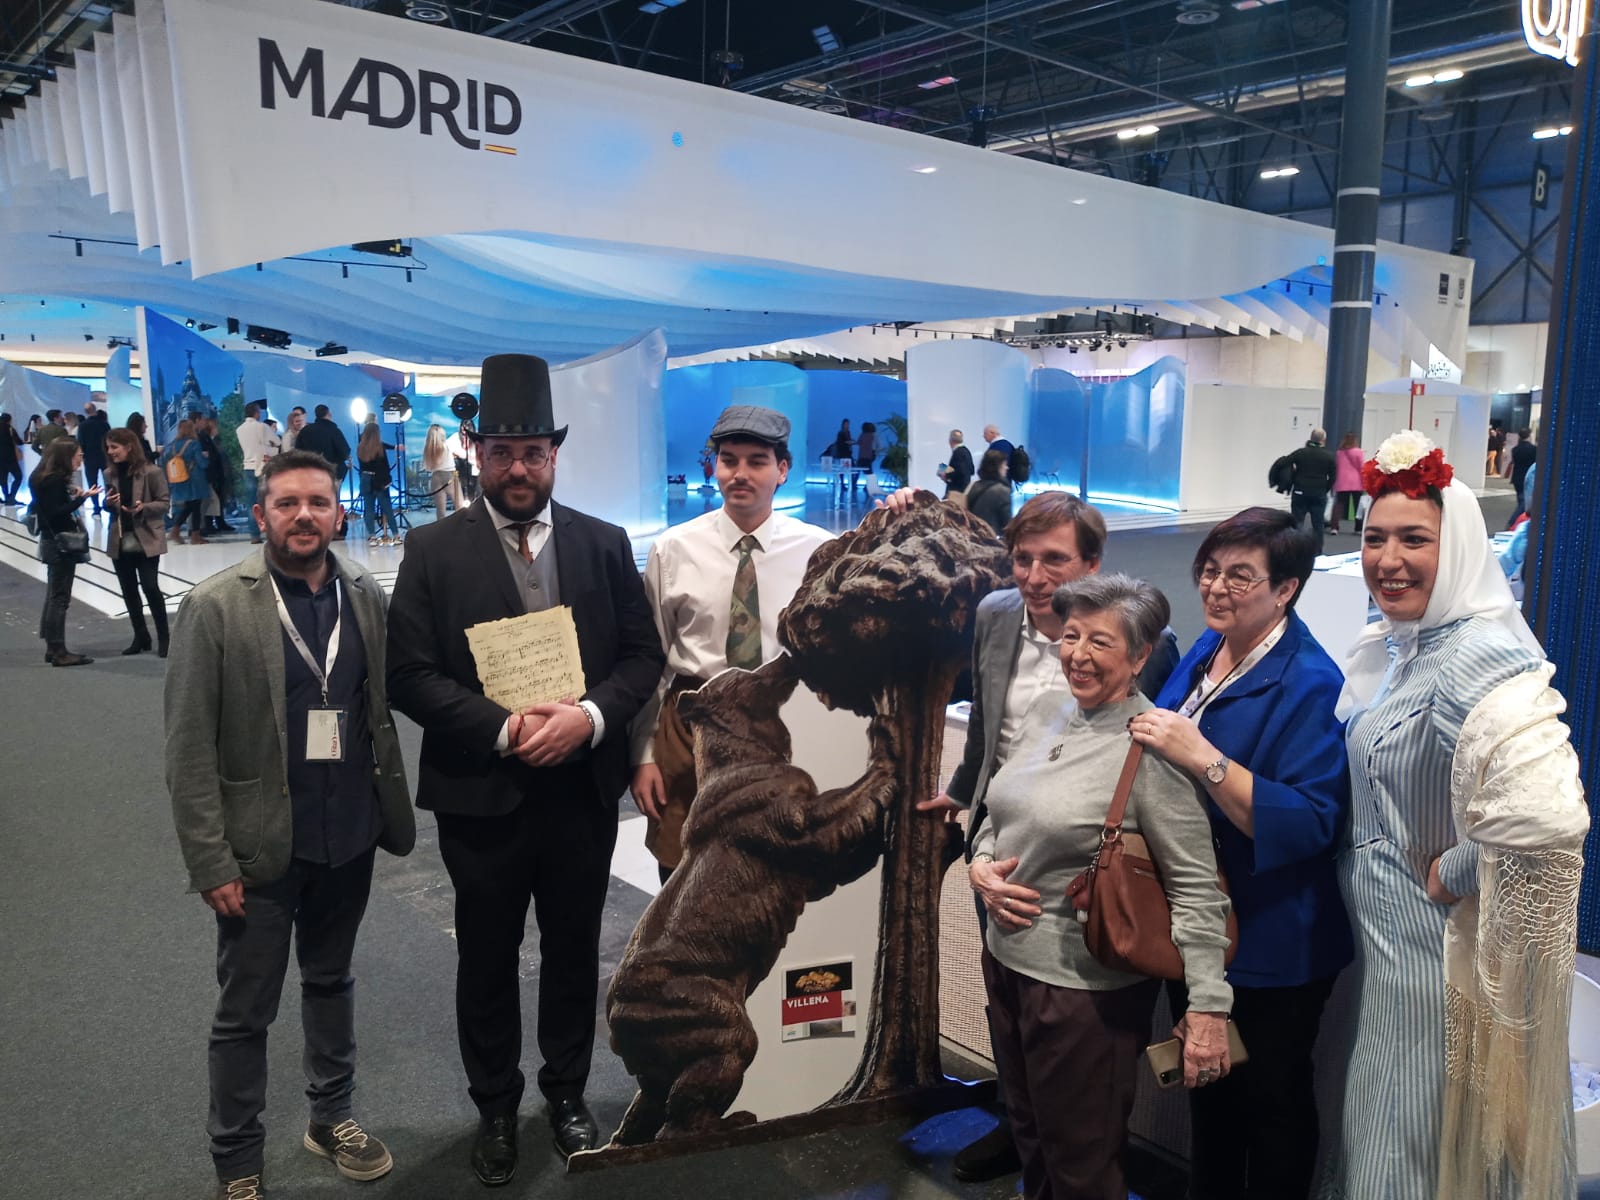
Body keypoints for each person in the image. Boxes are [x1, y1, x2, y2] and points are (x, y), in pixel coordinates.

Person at [386, 354, 663, 1184]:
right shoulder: (432, 549)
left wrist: (590, 718)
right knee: (487, 955)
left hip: (580, 792)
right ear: (476, 453)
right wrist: (504, 730)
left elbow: (642, 657)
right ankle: (497, 1106)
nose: (518, 469)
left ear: (554, 456)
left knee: (575, 948)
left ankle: (567, 1092)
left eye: (533, 453)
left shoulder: (604, 543)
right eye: (503, 452)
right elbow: (409, 674)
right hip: (483, 794)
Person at [1327, 430, 1585, 1200]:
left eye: (1415, 539)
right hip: (1385, 952)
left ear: (1463, 548)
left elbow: (1549, 813)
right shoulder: (1410, 645)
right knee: (1387, 1138)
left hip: (1429, 959)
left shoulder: (1472, 652)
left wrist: (1458, 868)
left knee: (1406, 1152)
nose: (1388, 559)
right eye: (1375, 538)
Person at [907, 488, 1179, 1183]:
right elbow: (988, 723)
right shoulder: (996, 615)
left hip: (1082, 852)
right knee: (1009, 991)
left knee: (1078, 1021)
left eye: (1054, 560)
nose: (1033, 576)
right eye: (1022, 558)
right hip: (1001, 831)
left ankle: (1078, 1146)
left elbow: (1142, 756)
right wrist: (964, 795)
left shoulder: (1139, 642)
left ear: (1092, 563)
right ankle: (1017, 1121)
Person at [165, 449, 416, 1200]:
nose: (303, 516)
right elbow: (187, 749)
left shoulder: (365, 594)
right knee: (246, 1011)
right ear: (260, 514)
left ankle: (330, 1117)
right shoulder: (215, 607)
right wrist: (210, 860)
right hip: (259, 847)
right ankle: (237, 1158)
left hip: (350, 833)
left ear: (340, 514)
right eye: (287, 503)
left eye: (318, 503)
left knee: (331, 980)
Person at [970, 573, 1234, 1200]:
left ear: (1140, 656)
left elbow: (1197, 888)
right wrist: (981, 865)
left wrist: (1207, 1008)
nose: (1078, 655)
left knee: (1082, 1165)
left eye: (1100, 642)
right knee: (1031, 1139)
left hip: (1083, 994)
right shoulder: (1048, 709)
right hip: (1006, 965)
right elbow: (999, 810)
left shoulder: (1152, 746)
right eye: (1071, 636)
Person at [1136, 507, 1351, 1200]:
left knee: (1271, 1104)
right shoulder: (1211, 646)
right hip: (1202, 921)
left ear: (1285, 589)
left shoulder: (1310, 680)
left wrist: (1204, 758)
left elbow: (1312, 820)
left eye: (1239, 575)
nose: (1216, 587)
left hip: (1272, 933)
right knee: (1209, 1093)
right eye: (1209, 570)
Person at [629, 405, 832, 883]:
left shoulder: (819, 552)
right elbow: (651, 663)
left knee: (776, 876)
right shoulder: (673, 549)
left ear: (783, 470)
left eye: (757, 461)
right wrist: (643, 756)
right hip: (691, 728)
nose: (740, 474)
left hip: (785, 729)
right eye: (728, 460)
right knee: (683, 877)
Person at [29, 438, 100, 667]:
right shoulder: (54, 481)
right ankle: (59, 651)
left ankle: (53, 647)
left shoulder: (40, 477)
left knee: (54, 595)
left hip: (50, 541)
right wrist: (80, 499)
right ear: (66, 456)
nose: (81, 460)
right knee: (59, 598)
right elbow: (57, 512)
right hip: (61, 543)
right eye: (79, 455)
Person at [104, 429, 171, 657]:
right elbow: (110, 507)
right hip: (120, 539)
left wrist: (144, 507)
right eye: (108, 447)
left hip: (147, 538)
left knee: (150, 587)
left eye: (115, 447)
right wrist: (107, 503)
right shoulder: (109, 474)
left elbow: (164, 503)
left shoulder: (152, 472)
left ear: (129, 446)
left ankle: (164, 637)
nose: (110, 452)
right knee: (129, 590)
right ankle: (141, 636)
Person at [1282, 428, 1336, 555]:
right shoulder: (1329, 456)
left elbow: (1284, 462)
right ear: (1323, 440)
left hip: (1300, 491)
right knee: (1318, 524)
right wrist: (1325, 489)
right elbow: (1333, 477)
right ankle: (1318, 551)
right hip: (1319, 493)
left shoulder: (1300, 453)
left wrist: (1292, 476)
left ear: (1311, 438)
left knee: (1297, 522)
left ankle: (1296, 550)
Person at [236, 401, 282, 546]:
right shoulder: (262, 426)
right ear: (256, 413)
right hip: (263, 466)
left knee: (252, 502)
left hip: (248, 467)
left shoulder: (239, 429)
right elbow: (277, 441)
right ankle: (271, 531)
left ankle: (254, 535)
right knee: (269, 500)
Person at [162, 418, 209, 545]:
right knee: (196, 507)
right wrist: (206, 458)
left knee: (189, 506)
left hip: (179, 479)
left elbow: (165, 461)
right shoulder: (194, 444)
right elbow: (201, 463)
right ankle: (195, 536)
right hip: (194, 479)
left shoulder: (172, 445)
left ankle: (176, 531)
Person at [355, 417, 396, 546]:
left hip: (365, 480)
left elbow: (361, 467)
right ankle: (396, 535)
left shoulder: (360, 448)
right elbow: (384, 466)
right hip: (379, 481)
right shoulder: (379, 448)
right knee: (387, 508)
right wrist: (388, 480)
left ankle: (372, 537)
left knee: (369, 509)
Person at [294, 405, 353, 484]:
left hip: (310, 473)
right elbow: (344, 452)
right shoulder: (334, 430)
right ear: (328, 414)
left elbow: (297, 452)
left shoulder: (305, 430)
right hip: (332, 473)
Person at [197, 415, 235, 534]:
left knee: (219, 499)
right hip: (212, 474)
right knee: (212, 500)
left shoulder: (215, 440)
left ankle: (220, 521)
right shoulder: (205, 439)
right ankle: (209, 524)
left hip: (219, 473)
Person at [965, 449, 1012, 536]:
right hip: (991, 538)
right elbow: (1006, 524)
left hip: (972, 536)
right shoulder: (1003, 491)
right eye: (1004, 464)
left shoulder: (974, 486)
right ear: (998, 467)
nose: (1007, 468)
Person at [1328, 432, 1364, 536]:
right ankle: (1358, 528)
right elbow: (1362, 467)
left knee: (1339, 505)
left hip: (1342, 482)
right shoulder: (1359, 452)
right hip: (1356, 482)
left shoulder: (1339, 453)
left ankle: (1334, 527)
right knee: (1358, 506)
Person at [78, 399, 110, 514]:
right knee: (108, 481)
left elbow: (81, 442)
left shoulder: (82, 425)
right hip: (104, 456)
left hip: (89, 458)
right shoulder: (104, 424)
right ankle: (109, 504)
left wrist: (82, 456)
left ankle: (96, 508)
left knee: (92, 483)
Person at [422, 423, 456, 521]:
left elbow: (428, 467)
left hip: (436, 477)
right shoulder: (447, 445)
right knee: (460, 506)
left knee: (440, 511)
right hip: (449, 475)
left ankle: (442, 529)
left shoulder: (428, 449)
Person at [446, 419, 478, 502]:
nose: (464, 430)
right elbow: (445, 448)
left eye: (467, 427)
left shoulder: (477, 439)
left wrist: (469, 458)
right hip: (460, 471)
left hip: (474, 470)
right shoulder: (455, 437)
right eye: (462, 427)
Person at [1509, 426, 1537, 519]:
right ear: (1529, 436)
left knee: (1521, 500)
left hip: (1517, 478)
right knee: (1524, 503)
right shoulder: (1534, 449)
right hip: (1528, 478)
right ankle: (1513, 521)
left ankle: (1518, 520)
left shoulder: (1515, 449)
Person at [938, 428, 974, 497]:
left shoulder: (958, 452)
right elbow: (972, 470)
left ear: (950, 440)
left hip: (956, 492)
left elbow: (960, 471)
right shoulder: (967, 451)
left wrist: (946, 475)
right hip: (965, 491)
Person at [0, 412, 23, 504]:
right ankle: (12, 497)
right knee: (18, 477)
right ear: (9, 420)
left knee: (3, 479)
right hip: (10, 457)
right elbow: (18, 441)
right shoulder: (9, 428)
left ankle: (6, 497)